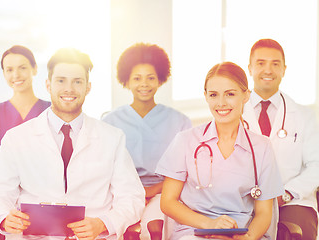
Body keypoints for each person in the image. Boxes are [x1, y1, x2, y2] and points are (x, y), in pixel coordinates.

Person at [0, 48, 145, 240]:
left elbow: (132, 197)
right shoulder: (16, 138)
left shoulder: (112, 138)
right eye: (61, 81)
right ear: (48, 85)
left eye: (77, 82)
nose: (69, 89)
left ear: (88, 87)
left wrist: (103, 224)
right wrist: (3, 218)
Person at [156, 62, 284, 240]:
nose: (221, 103)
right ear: (206, 97)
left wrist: (248, 237)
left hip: (241, 233)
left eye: (230, 94)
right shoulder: (185, 141)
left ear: (246, 95)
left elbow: (263, 213)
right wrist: (210, 225)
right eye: (213, 95)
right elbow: (168, 202)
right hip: (194, 232)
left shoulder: (261, 147)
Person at [103, 43, 192, 240]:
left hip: (165, 193)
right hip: (122, 193)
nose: (144, 84)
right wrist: (134, 191)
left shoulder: (179, 121)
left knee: (155, 229)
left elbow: (187, 170)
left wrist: (153, 190)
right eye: (137, 78)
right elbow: (103, 168)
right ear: (126, 81)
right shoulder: (109, 122)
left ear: (160, 79)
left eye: (150, 78)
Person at [0, 45, 51, 240]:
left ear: (34, 69)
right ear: (4, 74)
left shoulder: (52, 113)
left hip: (44, 201)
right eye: (9, 70)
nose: (16, 74)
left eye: (23, 67)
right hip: (5, 204)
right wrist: (7, 198)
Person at [243, 38, 319, 239]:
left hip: (292, 200)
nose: (268, 70)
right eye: (261, 63)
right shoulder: (234, 112)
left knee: (295, 233)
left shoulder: (304, 116)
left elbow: (316, 165)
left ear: (284, 70)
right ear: (249, 68)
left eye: (275, 64)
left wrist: (286, 194)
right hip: (244, 200)